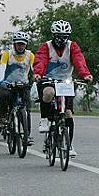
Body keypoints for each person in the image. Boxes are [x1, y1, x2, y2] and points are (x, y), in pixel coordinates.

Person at [33, 20, 93, 158]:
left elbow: (79, 61)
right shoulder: (45, 46)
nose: (62, 39)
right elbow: (40, 60)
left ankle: (69, 145)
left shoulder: (73, 46)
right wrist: (38, 74)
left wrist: (86, 75)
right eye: (59, 36)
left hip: (65, 82)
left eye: (65, 36)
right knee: (48, 93)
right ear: (54, 35)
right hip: (47, 79)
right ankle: (44, 120)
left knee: (68, 114)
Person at [0, 31, 35, 145]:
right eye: (18, 44)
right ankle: (2, 118)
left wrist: (35, 80)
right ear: (14, 44)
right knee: (3, 96)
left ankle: (27, 135)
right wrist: (1, 82)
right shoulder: (7, 54)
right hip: (8, 84)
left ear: (26, 44)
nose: (20, 46)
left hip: (23, 84)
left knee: (26, 110)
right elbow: (2, 68)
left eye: (22, 44)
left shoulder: (30, 55)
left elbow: (35, 70)